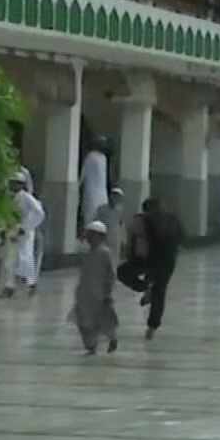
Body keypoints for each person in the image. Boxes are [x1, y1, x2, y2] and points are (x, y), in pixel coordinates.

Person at [117, 197, 183, 340]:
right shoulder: (173, 220)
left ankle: (145, 288)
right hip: (166, 261)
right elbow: (182, 240)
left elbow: (132, 245)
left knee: (123, 272)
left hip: (149, 259)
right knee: (159, 291)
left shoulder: (141, 221)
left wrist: (131, 258)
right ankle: (151, 328)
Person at [72, 220, 118, 354]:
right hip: (84, 294)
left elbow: (111, 274)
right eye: (88, 235)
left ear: (101, 237)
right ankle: (91, 346)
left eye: (93, 235)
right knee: (83, 323)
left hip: (100, 295)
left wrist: (108, 293)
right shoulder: (86, 253)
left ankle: (112, 339)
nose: (90, 238)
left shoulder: (105, 253)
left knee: (103, 321)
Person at [2, 168, 45, 297]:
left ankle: (31, 284)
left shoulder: (27, 198)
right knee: (9, 259)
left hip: (24, 232)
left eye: (17, 183)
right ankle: (9, 286)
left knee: (25, 258)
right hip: (10, 230)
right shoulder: (6, 197)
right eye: (12, 182)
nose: (14, 186)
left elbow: (39, 213)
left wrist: (25, 227)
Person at [80, 139, 110, 239]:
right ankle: (88, 235)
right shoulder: (92, 156)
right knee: (90, 215)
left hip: (99, 190)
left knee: (97, 215)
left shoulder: (102, 157)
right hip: (92, 190)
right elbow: (84, 173)